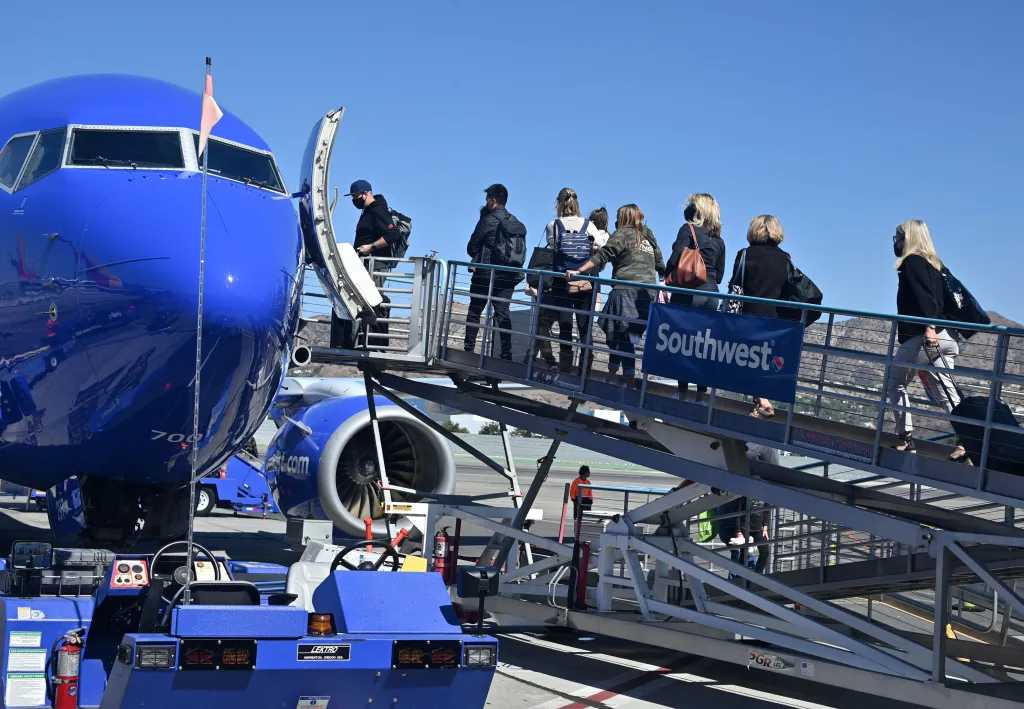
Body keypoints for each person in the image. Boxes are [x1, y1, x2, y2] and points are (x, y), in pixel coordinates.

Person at [886, 220, 966, 460]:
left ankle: (905, 438)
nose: (895, 241)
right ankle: (967, 443)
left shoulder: (913, 263)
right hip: (946, 336)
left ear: (907, 238)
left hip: (924, 338)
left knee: (894, 381)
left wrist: (929, 328)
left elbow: (926, 299)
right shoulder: (936, 264)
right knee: (947, 394)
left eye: (898, 236)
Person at [566, 205, 664, 387]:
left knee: (621, 334)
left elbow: (604, 255)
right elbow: (660, 263)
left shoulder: (624, 233)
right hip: (647, 294)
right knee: (621, 333)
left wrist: (579, 270)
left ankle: (629, 380)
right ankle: (612, 374)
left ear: (624, 218)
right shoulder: (649, 236)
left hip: (625, 291)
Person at [536, 188, 606, 372]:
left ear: (559, 204)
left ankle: (565, 369)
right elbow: (599, 246)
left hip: (562, 282)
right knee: (585, 327)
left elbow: (553, 246)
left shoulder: (553, 225)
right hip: (584, 281)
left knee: (565, 327)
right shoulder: (588, 225)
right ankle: (585, 371)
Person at [728, 215, 791, 419]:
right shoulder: (785, 258)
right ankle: (761, 402)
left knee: (746, 359)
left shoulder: (745, 254)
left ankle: (763, 401)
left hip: (748, 316)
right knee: (762, 360)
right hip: (774, 319)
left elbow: (735, 287)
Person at [666, 194, 726, 402]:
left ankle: (682, 392)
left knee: (682, 342)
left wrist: (666, 274)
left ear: (697, 209)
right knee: (703, 345)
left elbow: (675, 256)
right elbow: (719, 274)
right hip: (711, 294)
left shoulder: (688, 230)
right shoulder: (719, 240)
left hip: (689, 292)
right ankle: (701, 395)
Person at [465, 184, 527, 361]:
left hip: (485, 274)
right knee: (503, 313)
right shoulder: (514, 221)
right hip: (508, 274)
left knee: (475, 311)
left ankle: (468, 351)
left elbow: (472, 247)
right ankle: (506, 353)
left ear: (492, 200)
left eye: (487, 199)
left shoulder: (488, 220)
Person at [715, 443, 776, 575]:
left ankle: (749, 575)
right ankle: (744, 575)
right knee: (742, 553)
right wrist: (739, 531)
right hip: (743, 526)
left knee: (750, 553)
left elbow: (766, 508)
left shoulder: (757, 492)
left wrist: (765, 526)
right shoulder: (747, 493)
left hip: (751, 526)